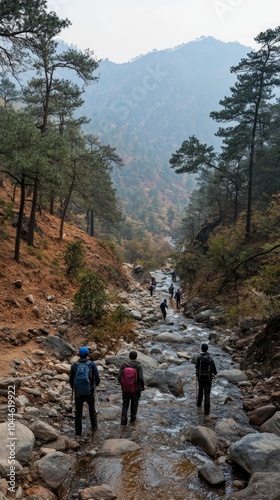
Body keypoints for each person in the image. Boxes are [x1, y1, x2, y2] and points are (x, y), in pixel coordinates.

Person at [69, 346, 100, 436]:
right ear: (87, 354)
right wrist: (94, 386)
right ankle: (94, 428)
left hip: (78, 393)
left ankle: (78, 433)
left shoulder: (74, 365)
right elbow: (97, 378)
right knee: (92, 410)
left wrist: (75, 388)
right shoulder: (92, 364)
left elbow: (71, 381)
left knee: (78, 413)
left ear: (79, 354)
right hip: (89, 392)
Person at [118, 351, 145, 426]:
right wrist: (142, 387)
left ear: (129, 357)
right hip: (135, 389)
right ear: (136, 357)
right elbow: (141, 378)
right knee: (134, 404)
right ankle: (133, 419)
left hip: (125, 389)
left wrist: (123, 384)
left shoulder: (124, 364)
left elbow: (119, 377)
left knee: (125, 404)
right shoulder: (139, 366)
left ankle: (123, 420)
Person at [196, 343, 217, 416]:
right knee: (207, 395)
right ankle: (206, 412)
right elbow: (214, 370)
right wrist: (215, 373)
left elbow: (197, 367)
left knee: (200, 391)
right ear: (207, 349)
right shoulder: (210, 358)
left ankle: (199, 404)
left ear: (202, 349)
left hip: (201, 377)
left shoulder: (199, 357)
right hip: (208, 379)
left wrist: (197, 373)